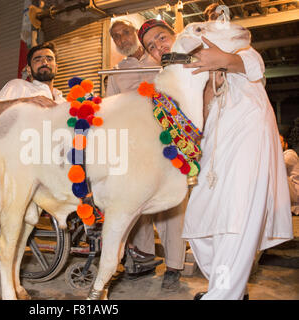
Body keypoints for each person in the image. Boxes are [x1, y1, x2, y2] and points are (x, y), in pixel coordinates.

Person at [139, 18, 293, 299]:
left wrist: (221, 59)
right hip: (212, 146)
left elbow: (252, 63)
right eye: (151, 46)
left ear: (177, 35)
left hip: (247, 133)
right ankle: (226, 286)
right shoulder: (176, 77)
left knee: (236, 216)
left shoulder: (221, 46)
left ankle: (223, 294)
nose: (158, 47)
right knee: (201, 217)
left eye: (161, 38)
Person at [107, 19, 186, 290]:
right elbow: (109, 111)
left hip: (167, 139)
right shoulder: (115, 72)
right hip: (134, 143)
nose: (121, 38)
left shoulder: (162, 59)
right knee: (137, 201)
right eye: (116, 36)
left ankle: (174, 265)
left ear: (137, 34)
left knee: (171, 203)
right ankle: (143, 259)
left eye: (125, 32)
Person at [0, 42, 64, 122]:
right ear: (29, 69)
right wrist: (24, 102)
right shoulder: (18, 85)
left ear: (56, 68)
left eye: (49, 59)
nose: (44, 62)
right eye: (38, 60)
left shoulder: (64, 102)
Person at [280, 133, 299, 215]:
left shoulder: (290, 154)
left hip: (296, 193)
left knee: (278, 175)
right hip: (292, 194)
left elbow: (277, 166)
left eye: (279, 142)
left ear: (286, 144)